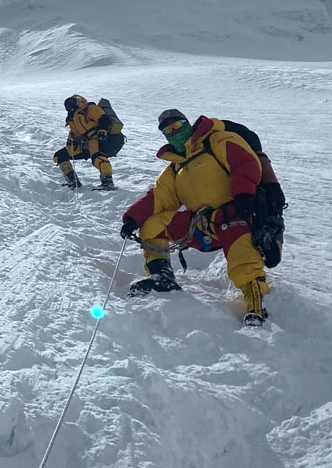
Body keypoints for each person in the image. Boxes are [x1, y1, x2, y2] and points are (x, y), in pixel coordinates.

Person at [118, 109, 276, 326]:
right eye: (168, 131)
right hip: (202, 224)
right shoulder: (176, 167)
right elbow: (159, 197)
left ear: (188, 124)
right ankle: (163, 278)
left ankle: (256, 305)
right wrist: (132, 219)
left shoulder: (216, 141)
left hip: (235, 214)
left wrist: (243, 194)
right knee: (153, 225)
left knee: (243, 258)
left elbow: (244, 162)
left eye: (177, 126)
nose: (174, 133)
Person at [52, 95, 123, 190]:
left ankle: (107, 182)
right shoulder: (71, 119)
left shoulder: (90, 108)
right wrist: (70, 144)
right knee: (60, 156)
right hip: (85, 144)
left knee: (98, 158)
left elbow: (104, 119)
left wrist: (102, 132)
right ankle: (73, 181)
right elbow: (73, 134)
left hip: (97, 139)